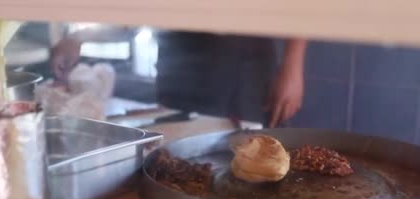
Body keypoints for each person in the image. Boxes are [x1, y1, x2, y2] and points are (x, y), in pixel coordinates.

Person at [51, 29, 307, 128]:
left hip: (240, 66)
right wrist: (79, 37)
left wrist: (292, 67)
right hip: (177, 71)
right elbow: (132, 21)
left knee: (250, 161)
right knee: (177, 162)